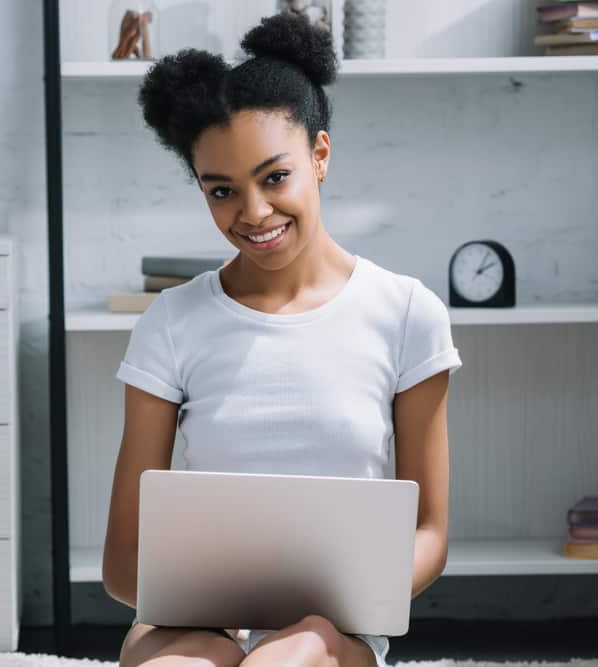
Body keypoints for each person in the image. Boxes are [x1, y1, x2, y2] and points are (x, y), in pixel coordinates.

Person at [102, 12, 462, 667]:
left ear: (319, 155)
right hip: (189, 621)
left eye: (274, 177)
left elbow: (430, 532)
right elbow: (124, 561)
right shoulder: (170, 323)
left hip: (331, 631)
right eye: (221, 190)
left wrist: (349, 598)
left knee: (285, 658)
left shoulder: (406, 312)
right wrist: (210, 604)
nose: (253, 212)